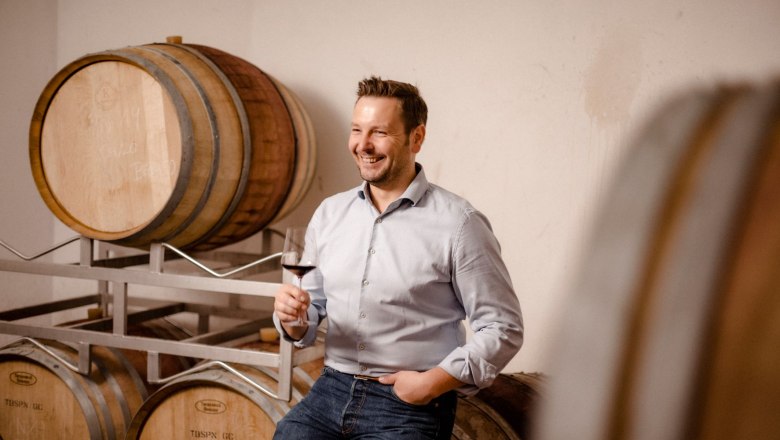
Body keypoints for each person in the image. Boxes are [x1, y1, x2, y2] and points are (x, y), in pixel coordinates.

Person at [272, 76, 523, 439]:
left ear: (416, 138)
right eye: (357, 130)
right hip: (331, 389)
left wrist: (431, 384)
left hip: (406, 402)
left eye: (380, 133)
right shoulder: (330, 213)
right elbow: (309, 317)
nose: (363, 145)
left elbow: (503, 327)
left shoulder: (458, 222)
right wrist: (293, 318)